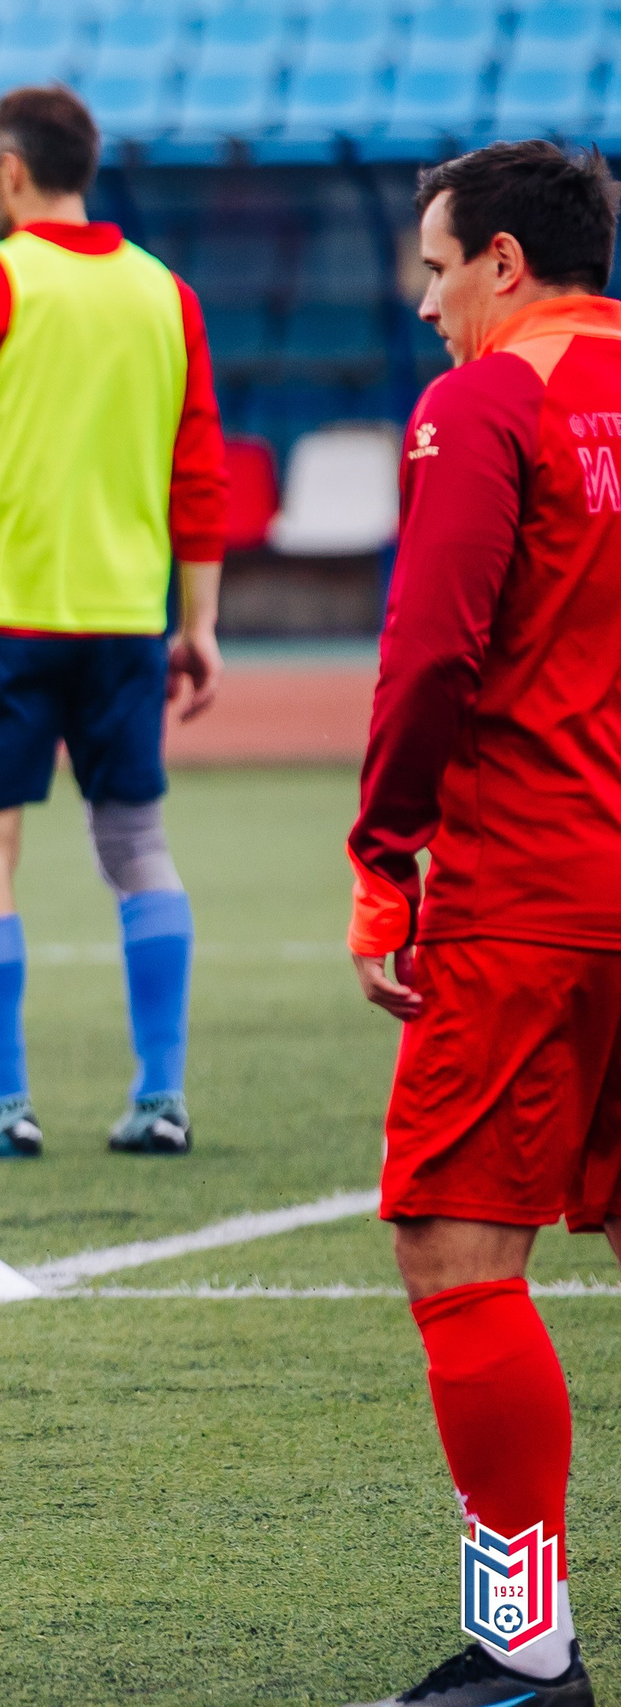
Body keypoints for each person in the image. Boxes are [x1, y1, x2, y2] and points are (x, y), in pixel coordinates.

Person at [344, 140, 621, 1707]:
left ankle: (524, 1652)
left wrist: (386, 855)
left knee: (459, 1249)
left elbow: (431, 647)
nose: (429, 305)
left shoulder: (489, 398)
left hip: (533, 887)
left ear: (505, 261)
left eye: (439, 270)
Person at [0, 84, 228, 1161]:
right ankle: (159, 1099)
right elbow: (198, 471)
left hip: (2, 615)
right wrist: (197, 622)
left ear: (8, 170)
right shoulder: (165, 294)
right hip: (127, 618)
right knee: (136, 843)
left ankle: (5, 1106)